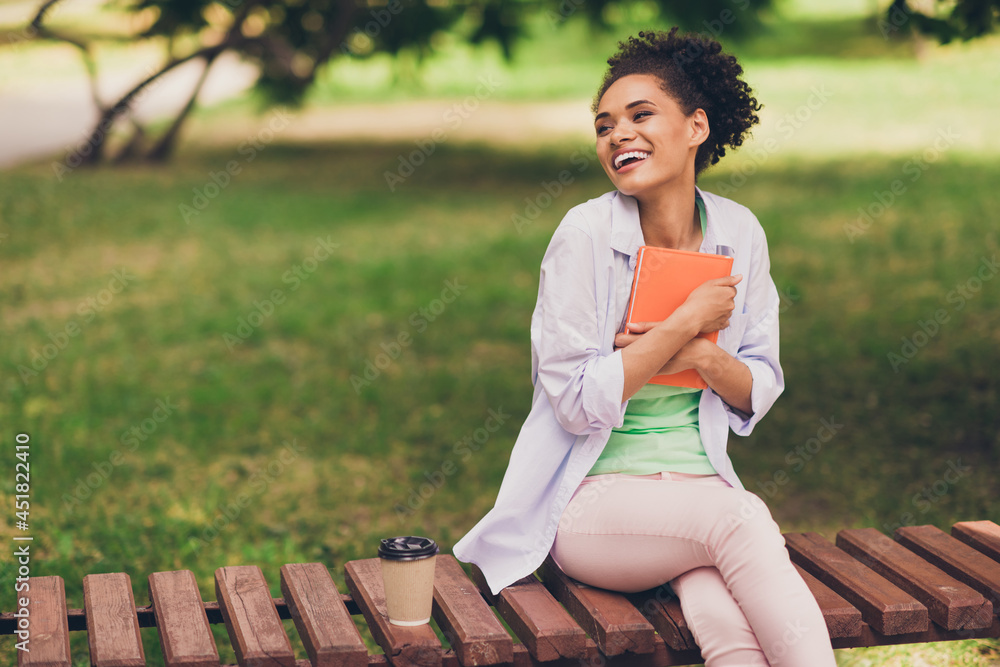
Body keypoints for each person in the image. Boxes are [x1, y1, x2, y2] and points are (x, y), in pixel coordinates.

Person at [453, 28, 836, 666]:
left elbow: (758, 388)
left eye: (640, 115)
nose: (617, 135)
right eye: (603, 126)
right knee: (741, 523)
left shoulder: (739, 231)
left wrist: (702, 357)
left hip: (697, 492)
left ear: (696, 127)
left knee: (725, 623)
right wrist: (682, 324)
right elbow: (575, 405)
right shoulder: (584, 234)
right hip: (593, 503)